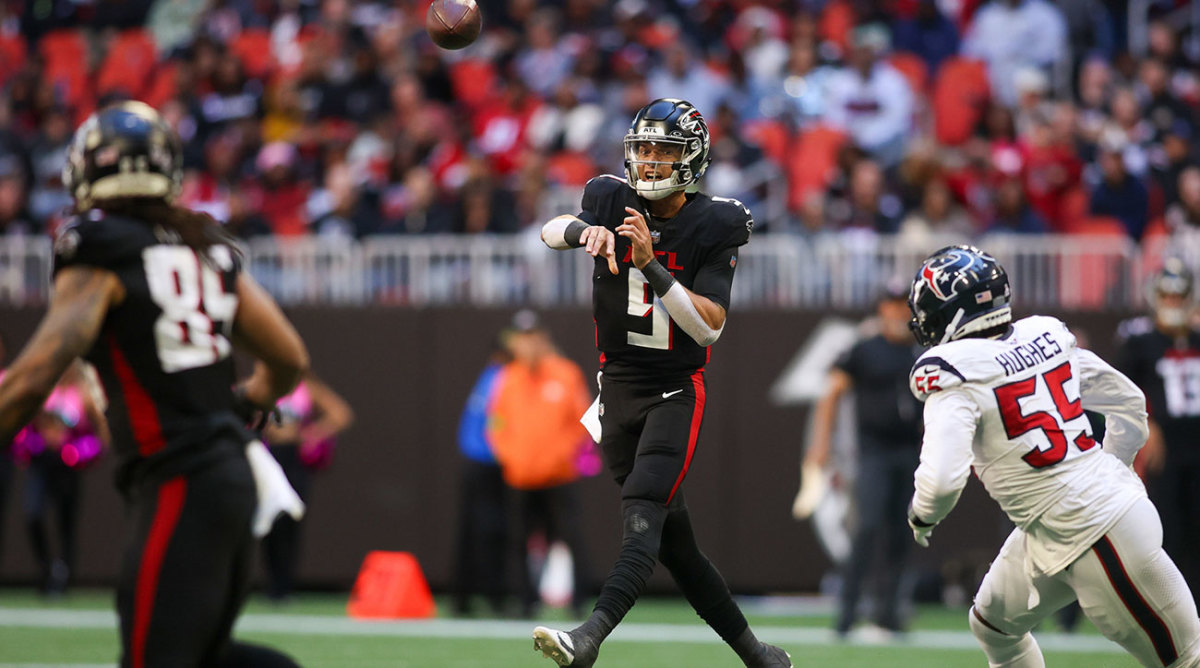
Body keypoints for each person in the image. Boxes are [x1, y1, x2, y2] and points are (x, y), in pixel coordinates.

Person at [0, 101, 308, 667]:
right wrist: (251, 399)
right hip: (233, 478)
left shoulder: (100, 246)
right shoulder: (202, 243)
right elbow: (287, 357)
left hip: (179, 479)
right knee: (204, 657)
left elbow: (32, 377)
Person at [532, 98, 790, 667]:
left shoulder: (714, 222)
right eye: (642, 150)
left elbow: (709, 328)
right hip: (615, 390)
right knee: (676, 547)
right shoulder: (608, 197)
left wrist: (652, 264)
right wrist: (583, 233)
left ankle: (588, 637)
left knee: (644, 512)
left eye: (663, 151)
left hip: (673, 390)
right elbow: (548, 230)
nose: (649, 163)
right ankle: (760, 657)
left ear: (692, 159)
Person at [905, 245, 1200, 668]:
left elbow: (942, 482)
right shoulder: (1041, 336)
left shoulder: (954, 373)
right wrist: (1112, 471)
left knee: (1187, 659)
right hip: (1057, 525)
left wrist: (922, 515)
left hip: (1091, 529)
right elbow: (1129, 402)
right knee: (994, 627)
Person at [801, 279, 922, 637]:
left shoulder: (919, 352)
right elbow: (831, 393)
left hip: (912, 452)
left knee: (904, 533)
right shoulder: (865, 349)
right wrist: (820, 445)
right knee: (867, 528)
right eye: (893, 303)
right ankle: (847, 615)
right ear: (882, 308)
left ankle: (890, 616)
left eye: (905, 304)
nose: (899, 311)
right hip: (874, 451)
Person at [487, 310, 594, 619]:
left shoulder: (566, 373)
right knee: (519, 540)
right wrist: (510, 455)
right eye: (522, 339)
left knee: (571, 537)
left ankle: (579, 601)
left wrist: (562, 455)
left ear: (544, 340)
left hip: (559, 475)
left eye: (533, 338)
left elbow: (583, 419)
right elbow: (496, 423)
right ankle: (525, 601)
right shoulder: (508, 377)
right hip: (520, 475)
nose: (528, 345)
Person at [1115, 258, 1200, 598]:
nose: (1172, 303)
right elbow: (1121, 391)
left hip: (1197, 446)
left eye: (1178, 295)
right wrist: (1149, 423)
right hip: (1165, 454)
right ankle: (1168, 606)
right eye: (1166, 295)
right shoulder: (1140, 342)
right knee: (1169, 533)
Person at [15, 361, 108, 596]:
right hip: (42, 461)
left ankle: (64, 578)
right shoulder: (44, 387)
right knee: (33, 513)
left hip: (67, 465)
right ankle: (47, 568)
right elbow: (28, 421)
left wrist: (80, 450)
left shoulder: (83, 393)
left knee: (65, 522)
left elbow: (100, 431)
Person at [261, 372, 353, 603]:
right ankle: (271, 584)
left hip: (294, 458)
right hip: (269, 455)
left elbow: (341, 414)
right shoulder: (262, 385)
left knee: (291, 520)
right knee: (268, 520)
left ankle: (285, 585)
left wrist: (314, 433)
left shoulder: (306, 388)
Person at [452, 329, 512, 617]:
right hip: (488, 461)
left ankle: (462, 598)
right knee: (491, 531)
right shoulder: (504, 378)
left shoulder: (490, 374)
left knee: (471, 531)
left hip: (474, 459)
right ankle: (492, 596)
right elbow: (498, 425)